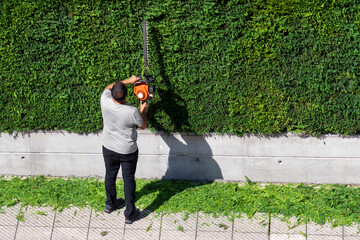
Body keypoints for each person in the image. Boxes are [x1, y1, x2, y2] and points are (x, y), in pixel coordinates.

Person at [100, 75, 148, 224]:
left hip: (108, 147)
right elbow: (142, 125)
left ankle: (110, 203)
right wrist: (143, 110)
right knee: (128, 180)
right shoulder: (132, 111)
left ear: (112, 94)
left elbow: (107, 88)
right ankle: (129, 213)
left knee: (110, 175)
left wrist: (128, 80)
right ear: (127, 95)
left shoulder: (105, 101)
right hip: (127, 151)